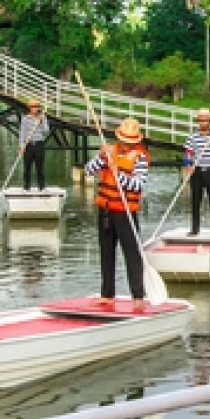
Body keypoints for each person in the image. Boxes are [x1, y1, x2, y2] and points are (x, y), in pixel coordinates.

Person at [84, 118, 150, 302]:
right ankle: (107, 294)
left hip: (125, 211)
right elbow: (88, 171)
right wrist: (101, 160)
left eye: (130, 142)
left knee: (131, 253)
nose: (126, 145)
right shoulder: (109, 151)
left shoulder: (141, 157)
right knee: (106, 252)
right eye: (124, 140)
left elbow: (138, 185)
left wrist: (118, 175)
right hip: (106, 209)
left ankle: (138, 295)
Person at [183, 107, 210, 236]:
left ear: (209, 121)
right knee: (195, 201)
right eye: (201, 120)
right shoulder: (193, 136)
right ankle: (194, 229)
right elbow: (188, 153)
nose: (203, 123)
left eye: (205, 120)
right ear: (198, 121)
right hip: (197, 172)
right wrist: (188, 164)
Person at [17, 99, 49, 191]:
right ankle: (26, 187)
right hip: (28, 145)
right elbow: (22, 133)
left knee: (40, 167)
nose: (34, 108)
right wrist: (21, 146)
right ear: (29, 108)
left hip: (39, 144)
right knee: (27, 167)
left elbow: (46, 132)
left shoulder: (43, 117)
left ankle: (41, 187)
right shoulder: (25, 119)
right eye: (32, 107)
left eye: (36, 106)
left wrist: (41, 122)